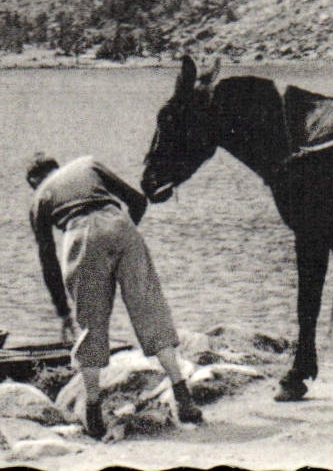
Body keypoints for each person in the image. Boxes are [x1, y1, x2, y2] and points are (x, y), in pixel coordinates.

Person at [27, 153, 202, 439]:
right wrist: (124, 239)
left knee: (91, 326)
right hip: (119, 223)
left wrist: (62, 310)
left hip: (80, 234)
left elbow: (47, 260)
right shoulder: (87, 164)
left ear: (34, 181)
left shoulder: (39, 198)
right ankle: (184, 397)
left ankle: (94, 413)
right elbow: (138, 200)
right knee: (150, 310)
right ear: (57, 167)